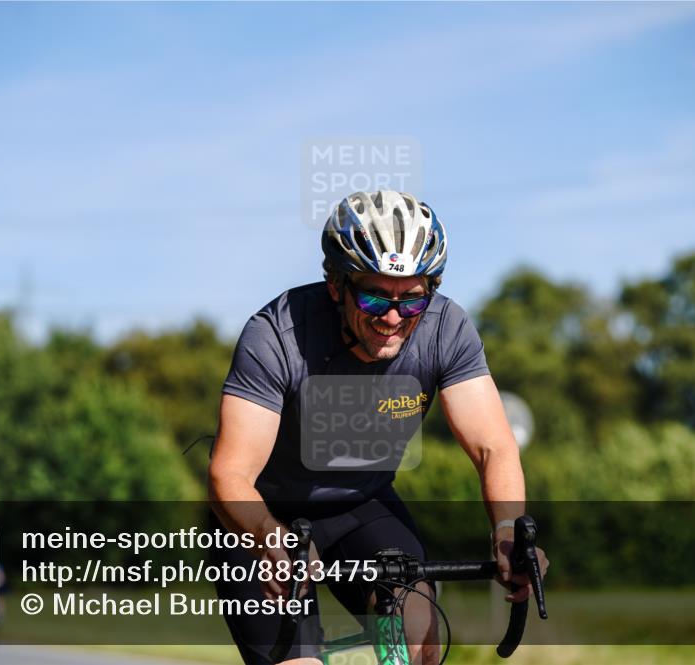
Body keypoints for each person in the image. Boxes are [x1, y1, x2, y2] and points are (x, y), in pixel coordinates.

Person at [208, 190, 548, 665]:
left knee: (419, 633)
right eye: (373, 296)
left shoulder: (446, 330)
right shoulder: (275, 336)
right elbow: (229, 474)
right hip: (260, 517)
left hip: (362, 503)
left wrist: (507, 531)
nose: (392, 317)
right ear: (335, 286)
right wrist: (268, 536)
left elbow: (493, 446)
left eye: (411, 301)